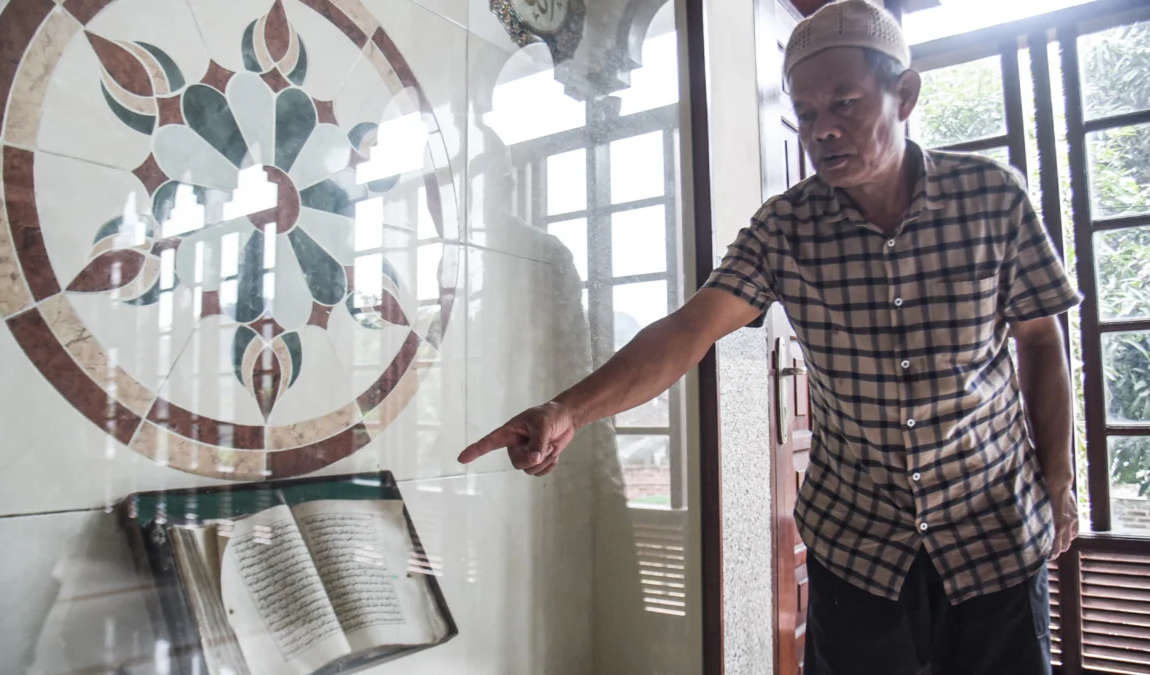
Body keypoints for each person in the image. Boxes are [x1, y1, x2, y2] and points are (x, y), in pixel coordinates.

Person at [458, 1, 1081, 672]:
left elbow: (1040, 343)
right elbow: (689, 329)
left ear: (904, 94)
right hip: (859, 547)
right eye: (807, 114)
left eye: (845, 104)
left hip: (993, 533)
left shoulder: (992, 197)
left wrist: (1061, 478)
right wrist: (566, 410)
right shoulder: (786, 228)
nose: (825, 131)